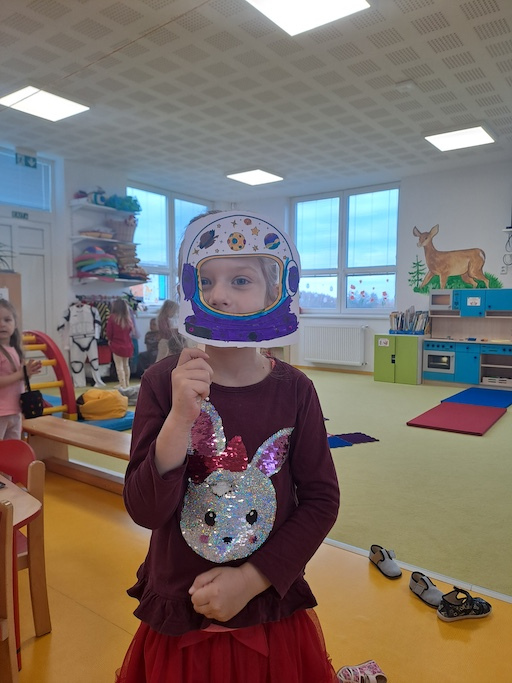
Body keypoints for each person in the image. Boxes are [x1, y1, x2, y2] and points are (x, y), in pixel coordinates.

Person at [116, 211, 340, 683]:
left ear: (274, 291)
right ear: (188, 287)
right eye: (206, 280)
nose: (218, 295)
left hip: (267, 606)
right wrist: (180, 419)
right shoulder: (160, 382)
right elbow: (144, 510)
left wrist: (251, 579)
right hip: (180, 605)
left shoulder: (295, 390)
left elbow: (321, 500)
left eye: (240, 280)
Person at [0, 298, 42, 439]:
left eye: (7, 320)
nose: (2, 324)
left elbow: (19, 380)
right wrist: (20, 374)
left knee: (13, 447)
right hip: (1, 411)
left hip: (15, 409)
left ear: (15, 323)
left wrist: (28, 373)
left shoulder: (15, 349)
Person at [105, 297, 134, 389]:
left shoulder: (112, 318)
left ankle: (122, 384)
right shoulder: (128, 319)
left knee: (119, 366)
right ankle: (127, 383)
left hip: (117, 345)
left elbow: (109, 332)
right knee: (126, 365)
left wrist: (109, 340)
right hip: (128, 345)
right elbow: (130, 331)